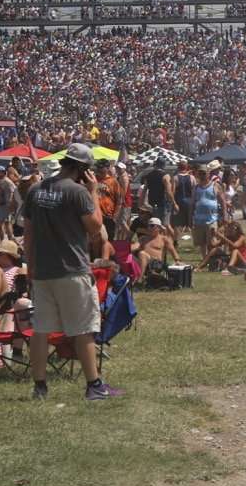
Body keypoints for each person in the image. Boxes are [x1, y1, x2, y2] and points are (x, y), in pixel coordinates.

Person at [23, 143, 120, 401]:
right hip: (72, 270)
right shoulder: (77, 192)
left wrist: (30, 266)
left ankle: (40, 387)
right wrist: (92, 193)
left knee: (40, 330)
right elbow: (95, 228)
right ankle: (94, 385)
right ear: (82, 169)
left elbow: (28, 233)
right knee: (82, 329)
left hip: (43, 270)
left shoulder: (36, 190)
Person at [133, 217, 181, 282]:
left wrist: (177, 260)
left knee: (142, 254)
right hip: (143, 262)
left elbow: (173, 251)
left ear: (159, 228)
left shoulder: (164, 239)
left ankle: (139, 279)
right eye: (148, 226)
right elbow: (135, 246)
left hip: (157, 264)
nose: (149, 228)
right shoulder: (143, 238)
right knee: (130, 256)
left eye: (152, 226)